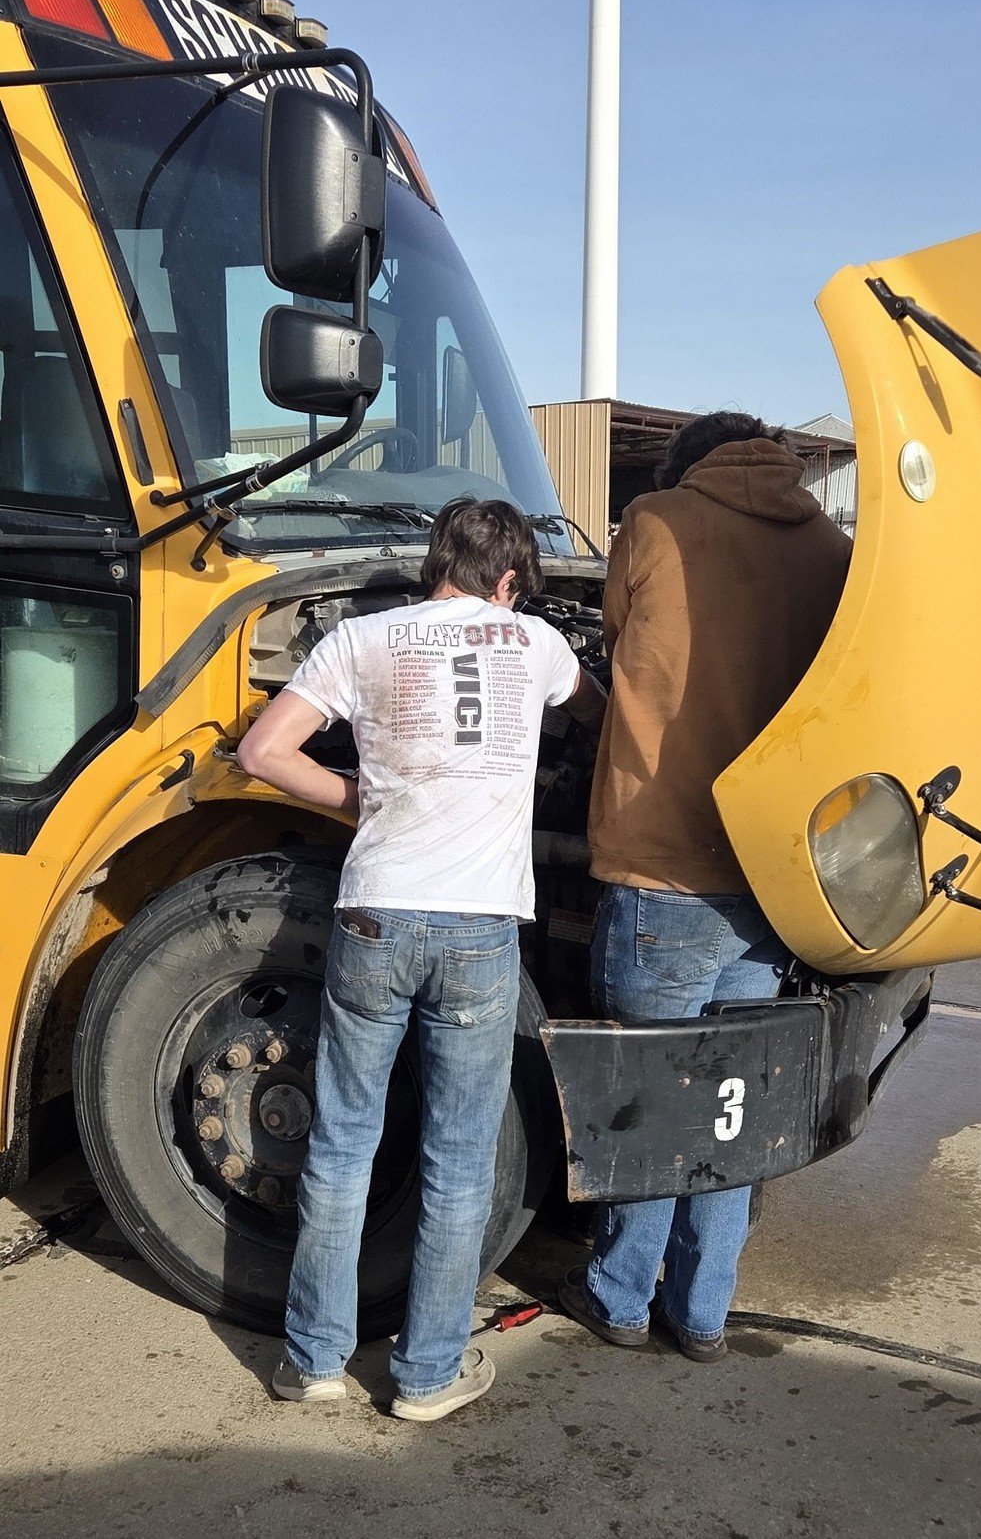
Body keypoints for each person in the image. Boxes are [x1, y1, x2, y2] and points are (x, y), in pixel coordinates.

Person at [237, 498, 605, 1420]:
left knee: (342, 1143)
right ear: (510, 580)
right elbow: (602, 717)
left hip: (373, 917)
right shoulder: (537, 646)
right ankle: (427, 1376)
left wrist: (360, 798)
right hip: (478, 930)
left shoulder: (364, 639)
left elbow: (262, 752)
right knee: (457, 1159)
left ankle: (314, 1360)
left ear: (436, 564)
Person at [559, 412, 850, 1360]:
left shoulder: (651, 522)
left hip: (662, 861)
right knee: (734, 1104)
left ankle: (620, 1300)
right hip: (777, 872)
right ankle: (702, 1314)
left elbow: (609, 646)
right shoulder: (831, 551)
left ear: (688, 466)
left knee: (650, 1097)